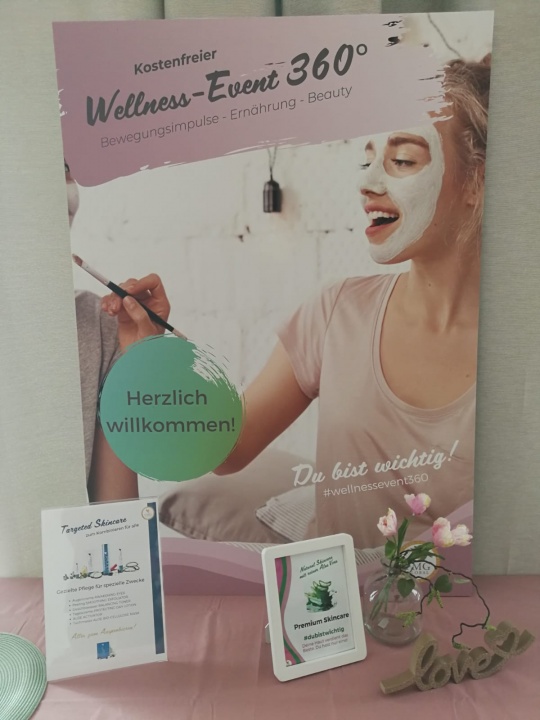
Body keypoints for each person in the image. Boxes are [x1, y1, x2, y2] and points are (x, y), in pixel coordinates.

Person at [103, 57, 491, 548]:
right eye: (368, 159)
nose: (368, 183)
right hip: (333, 595)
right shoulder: (336, 313)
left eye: (403, 161)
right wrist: (152, 355)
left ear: (477, 182)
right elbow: (228, 448)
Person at [67, 163, 171, 502]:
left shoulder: (99, 326)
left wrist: (138, 373)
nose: (63, 188)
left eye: (65, 168)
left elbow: (117, 519)